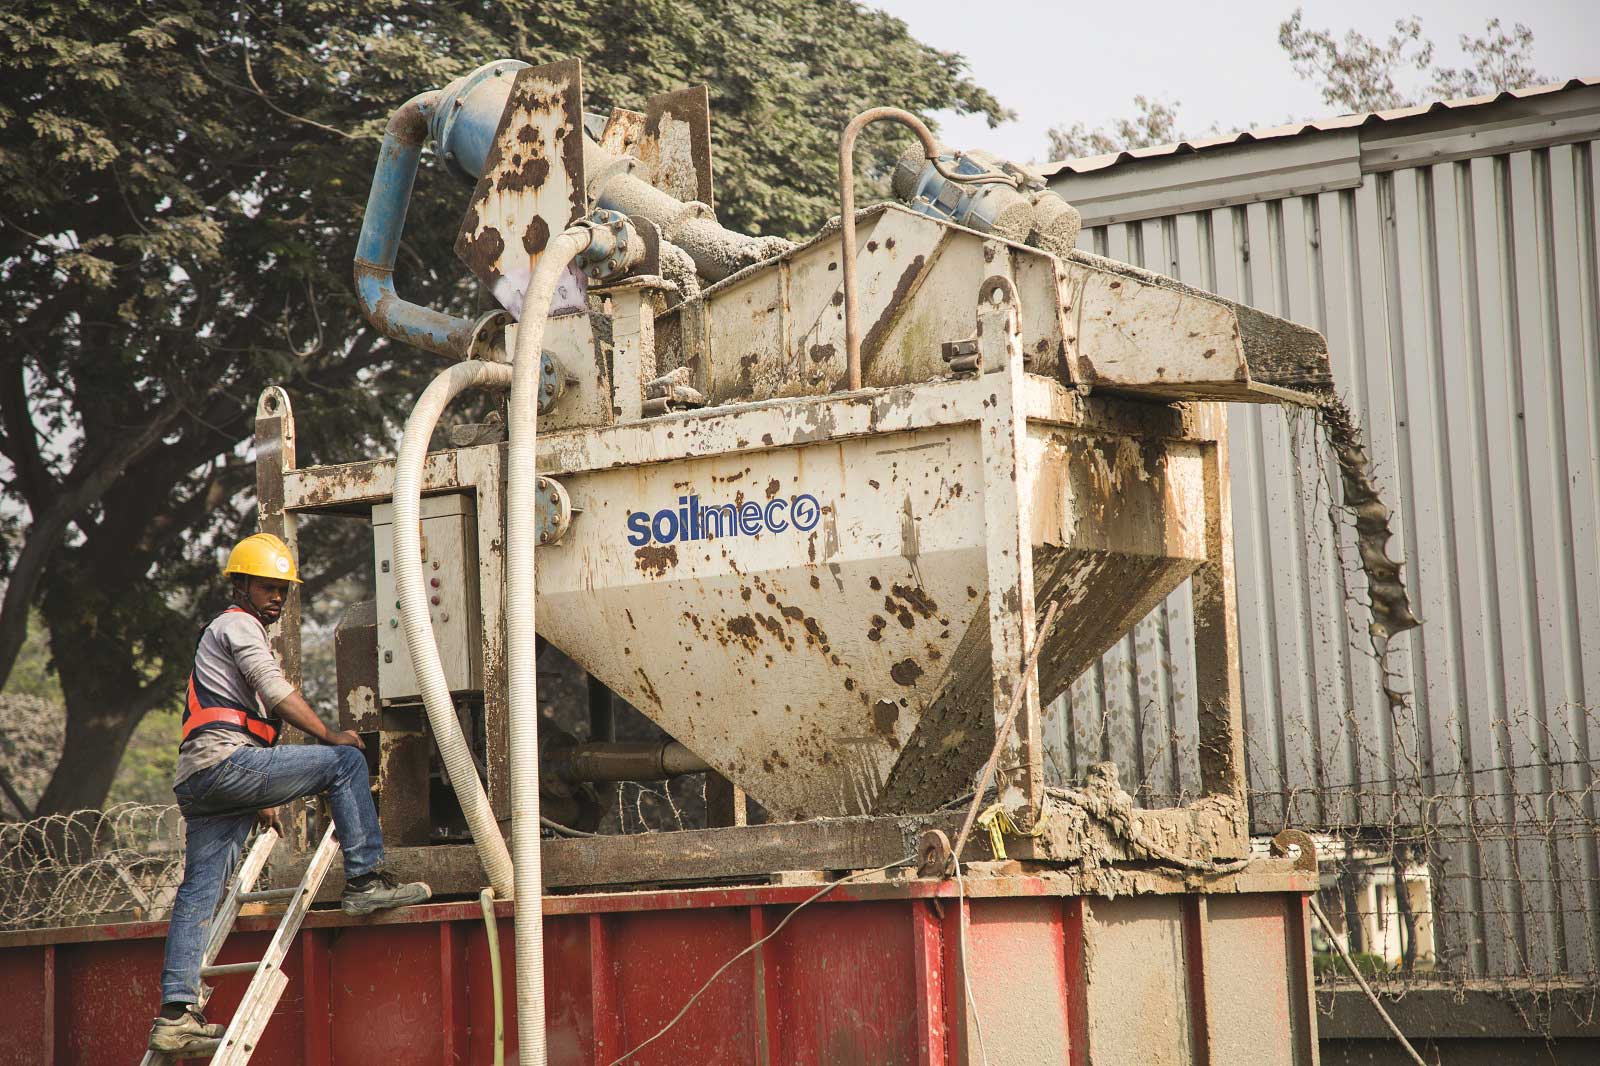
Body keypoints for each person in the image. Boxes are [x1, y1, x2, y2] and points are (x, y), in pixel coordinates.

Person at [149, 533, 431, 1055]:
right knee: (344, 761)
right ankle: (365, 880)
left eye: (283, 589)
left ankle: (175, 1014)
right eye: (267, 587)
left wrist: (260, 793)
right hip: (225, 765)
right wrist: (329, 735)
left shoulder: (222, 632)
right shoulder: (238, 625)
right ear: (241, 585)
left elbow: (236, 716)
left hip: (201, 778)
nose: (277, 596)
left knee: (199, 893)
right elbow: (276, 693)